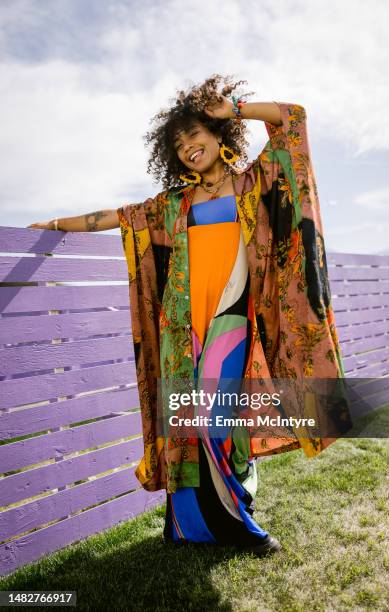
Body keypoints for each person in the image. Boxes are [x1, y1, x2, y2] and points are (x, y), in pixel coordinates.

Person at [28, 74, 352, 556]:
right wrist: (56, 224)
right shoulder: (172, 205)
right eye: (178, 144)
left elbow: (293, 119)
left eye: (194, 135)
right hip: (182, 331)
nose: (187, 147)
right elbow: (114, 217)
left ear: (218, 134)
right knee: (191, 420)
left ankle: (236, 523)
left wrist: (235, 107)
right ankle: (192, 524)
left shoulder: (253, 183)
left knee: (212, 416)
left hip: (232, 320)